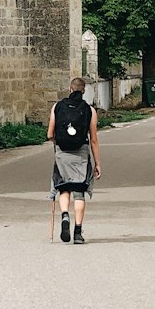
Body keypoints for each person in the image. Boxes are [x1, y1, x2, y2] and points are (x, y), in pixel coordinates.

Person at [47, 77, 101, 244]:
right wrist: (98, 163)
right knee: (79, 193)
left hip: (62, 153)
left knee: (64, 188)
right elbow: (93, 139)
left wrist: (57, 144)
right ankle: (77, 233)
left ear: (69, 89)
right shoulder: (90, 110)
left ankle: (64, 215)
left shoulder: (57, 107)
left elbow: (49, 134)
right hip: (81, 155)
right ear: (83, 91)